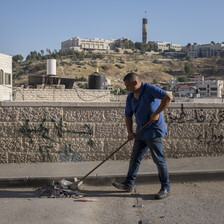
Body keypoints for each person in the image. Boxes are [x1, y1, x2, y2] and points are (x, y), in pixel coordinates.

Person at [113, 72, 172, 200]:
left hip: (153, 131)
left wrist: (157, 113)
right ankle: (128, 184)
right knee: (135, 158)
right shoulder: (130, 97)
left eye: (128, 85)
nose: (127, 88)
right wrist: (130, 132)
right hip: (140, 132)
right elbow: (128, 115)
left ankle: (166, 188)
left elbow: (168, 97)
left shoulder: (150, 89)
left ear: (135, 82)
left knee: (159, 160)